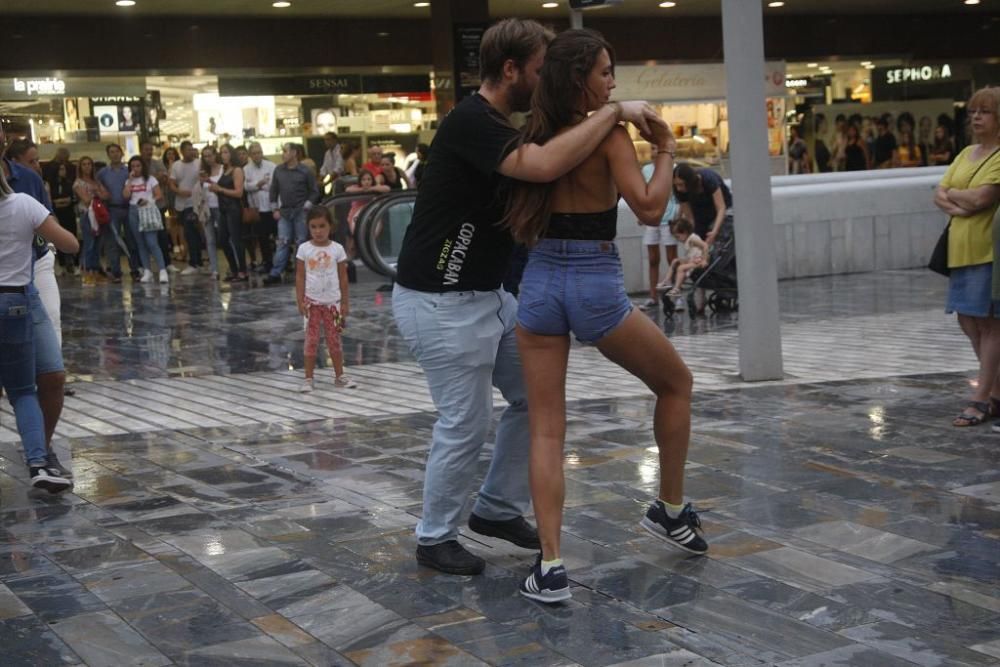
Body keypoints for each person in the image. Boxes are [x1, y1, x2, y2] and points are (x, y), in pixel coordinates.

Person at [392, 17, 664, 576]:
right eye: (541, 70)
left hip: (489, 298)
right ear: (511, 69)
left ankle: (494, 509)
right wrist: (613, 114)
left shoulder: (507, 123)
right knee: (464, 421)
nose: (547, 80)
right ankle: (434, 534)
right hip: (441, 300)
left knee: (532, 402)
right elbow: (541, 167)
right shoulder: (473, 120)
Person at [504, 28, 706, 604]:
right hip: (594, 284)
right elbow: (649, 209)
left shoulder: (533, 136)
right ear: (580, 80)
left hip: (539, 283)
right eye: (605, 72)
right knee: (676, 383)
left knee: (546, 428)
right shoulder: (611, 137)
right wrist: (665, 148)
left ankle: (550, 566)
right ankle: (669, 508)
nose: (613, 81)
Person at [0, 169, 79, 492]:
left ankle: (40, 459)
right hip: (16, 300)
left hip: (24, 298)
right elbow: (71, 244)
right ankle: (38, 462)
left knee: (38, 382)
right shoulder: (22, 204)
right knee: (22, 391)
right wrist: (33, 232)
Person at [933, 87, 1000, 428]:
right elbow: (938, 194)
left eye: (984, 112)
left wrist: (955, 197)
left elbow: (982, 199)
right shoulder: (966, 154)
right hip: (960, 251)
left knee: (989, 325)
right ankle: (995, 391)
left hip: (988, 250)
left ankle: (982, 397)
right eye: (973, 111)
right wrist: (960, 199)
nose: (975, 117)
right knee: (968, 322)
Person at [296, 206, 356, 393]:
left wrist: (345, 302)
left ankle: (340, 376)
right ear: (308, 227)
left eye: (322, 226)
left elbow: (343, 278)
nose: (318, 231)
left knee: (334, 339)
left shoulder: (337, 249)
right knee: (311, 339)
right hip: (312, 304)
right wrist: (300, 301)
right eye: (313, 227)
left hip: (334, 305)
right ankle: (308, 378)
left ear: (331, 226)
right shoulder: (304, 249)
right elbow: (300, 277)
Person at [263, 143, 320, 285]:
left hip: (301, 211)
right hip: (285, 211)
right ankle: (276, 273)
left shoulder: (305, 171)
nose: (283, 154)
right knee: (283, 242)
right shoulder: (279, 170)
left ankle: (302, 272)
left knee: (301, 242)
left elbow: (314, 191)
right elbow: (273, 190)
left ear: (294, 153)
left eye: (285, 151)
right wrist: (275, 208)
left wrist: (308, 205)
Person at [638, 156, 680, 310]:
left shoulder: (674, 168)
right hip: (652, 219)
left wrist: (677, 216)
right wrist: (641, 213)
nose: (654, 152)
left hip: (669, 219)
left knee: (672, 259)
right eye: (652, 149)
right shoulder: (646, 170)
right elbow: (642, 192)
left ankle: (675, 295)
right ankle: (653, 296)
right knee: (653, 258)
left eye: (656, 148)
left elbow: (677, 196)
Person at [97, 144, 140, 281]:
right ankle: (116, 271)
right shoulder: (103, 173)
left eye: (117, 151)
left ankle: (135, 269)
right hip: (111, 209)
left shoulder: (129, 171)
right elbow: (97, 187)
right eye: (111, 152)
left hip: (128, 208)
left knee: (132, 240)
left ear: (122, 153)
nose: (114, 154)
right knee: (112, 242)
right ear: (108, 155)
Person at [123, 155, 168, 284]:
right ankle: (147, 270)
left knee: (152, 242)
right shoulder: (128, 181)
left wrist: (149, 200)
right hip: (133, 210)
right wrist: (130, 181)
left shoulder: (151, 179)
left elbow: (159, 194)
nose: (136, 168)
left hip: (147, 210)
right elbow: (126, 196)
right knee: (140, 242)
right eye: (133, 166)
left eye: (138, 166)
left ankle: (162, 269)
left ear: (143, 167)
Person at [210, 144, 248, 282]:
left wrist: (220, 190)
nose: (223, 155)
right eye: (222, 152)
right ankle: (234, 269)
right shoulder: (226, 170)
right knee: (222, 240)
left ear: (231, 154)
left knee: (236, 239)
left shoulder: (237, 170)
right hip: (223, 209)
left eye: (226, 152)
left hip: (233, 208)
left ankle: (242, 270)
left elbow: (239, 192)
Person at [673, 163, 731, 247]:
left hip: (722, 209)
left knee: (720, 237)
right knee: (700, 240)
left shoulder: (709, 178)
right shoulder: (679, 191)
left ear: (690, 181)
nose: (679, 188)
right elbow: (690, 217)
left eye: (681, 184)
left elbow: (721, 208)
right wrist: (692, 236)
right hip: (700, 211)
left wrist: (714, 231)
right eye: (676, 185)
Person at [169, 141, 205, 275]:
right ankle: (197, 261)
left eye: (192, 149)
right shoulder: (176, 166)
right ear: (182, 151)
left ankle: (194, 262)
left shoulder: (199, 163)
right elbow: (171, 183)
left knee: (191, 232)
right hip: (181, 203)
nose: (191, 152)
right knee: (188, 233)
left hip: (195, 202)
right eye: (188, 150)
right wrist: (179, 191)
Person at [74, 156, 110, 286]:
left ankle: (96, 271)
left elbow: (106, 195)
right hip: (87, 215)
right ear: (80, 167)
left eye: (89, 164)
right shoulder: (78, 183)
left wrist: (96, 192)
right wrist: (97, 193)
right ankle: (86, 273)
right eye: (84, 164)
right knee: (89, 244)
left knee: (97, 245)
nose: (87, 166)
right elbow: (86, 199)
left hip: (99, 215)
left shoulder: (96, 181)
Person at [140, 140, 175, 274]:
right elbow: (141, 180)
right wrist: (155, 177)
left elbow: (165, 179)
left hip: (157, 204)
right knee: (143, 237)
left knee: (162, 235)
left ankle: (167, 263)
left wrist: (154, 177)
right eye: (146, 149)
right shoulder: (137, 163)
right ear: (141, 150)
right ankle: (143, 266)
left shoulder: (158, 163)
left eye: (150, 149)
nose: (149, 152)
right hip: (141, 206)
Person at [243, 142, 277, 273]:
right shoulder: (246, 169)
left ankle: (283, 262)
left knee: (276, 236)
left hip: (271, 206)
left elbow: (274, 185)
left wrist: (257, 186)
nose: (257, 155)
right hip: (256, 208)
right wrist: (259, 184)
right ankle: (267, 263)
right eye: (254, 153)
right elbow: (246, 186)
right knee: (262, 238)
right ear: (250, 155)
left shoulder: (271, 166)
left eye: (259, 152)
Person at [663, 218, 708, 302]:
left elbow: (705, 246)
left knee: (681, 268)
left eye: (678, 236)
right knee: (675, 261)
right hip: (693, 261)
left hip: (699, 262)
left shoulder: (692, 239)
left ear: (685, 232)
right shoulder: (688, 240)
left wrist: (704, 260)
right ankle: (668, 281)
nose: (677, 239)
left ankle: (676, 288)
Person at [199, 145, 224, 279]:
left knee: (225, 237)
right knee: (210, 239)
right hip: (207, 208)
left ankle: (234, 266)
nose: (208, 159)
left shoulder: (222, 169)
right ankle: (214, 269)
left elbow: (224, 186)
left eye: (210, 155)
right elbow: (199, 191)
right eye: (205, 156)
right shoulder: (203, 171)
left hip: (220, 206)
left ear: (215, 155)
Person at [50, 163, 78, 275]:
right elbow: (51, 199)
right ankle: (61, 264)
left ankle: (74, 263)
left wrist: (66, 201)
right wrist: (58, 202)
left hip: (69, 213)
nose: (63, 171)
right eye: (61, 169)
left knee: (72, 235)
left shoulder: (69, 183)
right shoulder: (51, 184)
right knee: (58, 239)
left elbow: (72, 198)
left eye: (64, 169)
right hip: (57, 214)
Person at [161, 146, 185, 262]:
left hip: (178, 195)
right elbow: (165, 180)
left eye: (172, 153)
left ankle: (182, 246)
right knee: (171, 222)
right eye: (168, 154)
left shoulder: (180, 166)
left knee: (180, 222)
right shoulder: (163, 167)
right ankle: (175, 245)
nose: (170, 156)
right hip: (168, 197)